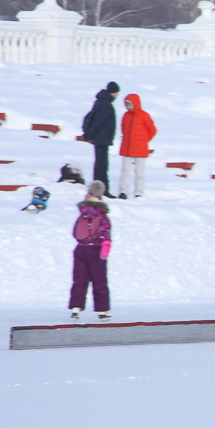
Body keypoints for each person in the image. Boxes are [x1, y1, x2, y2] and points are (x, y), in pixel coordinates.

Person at [69, 180, 113, 321]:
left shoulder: (82, 214)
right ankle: (103, 309)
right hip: (96, 250)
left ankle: (76, 307)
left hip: (80, 249)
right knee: (99, 280)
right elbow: (104, 233)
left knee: (80, 280)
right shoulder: (102, 216)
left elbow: (75, 232)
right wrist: (106, 246)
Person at [79, 82, 120, 194]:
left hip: (101, 138)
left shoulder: (101, 101)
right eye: (117, 93)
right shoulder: (106, 104)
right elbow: (98, 122)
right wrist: (90, 135)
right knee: (102, 165)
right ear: (114, 92)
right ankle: (102, 190)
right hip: (102, 139)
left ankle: (99, 188)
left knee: (100, 164)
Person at [115, 93, 156, 200]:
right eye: (126, 104)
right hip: (127, 148)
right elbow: (123, 129)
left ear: (135, 103)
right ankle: (123, 192)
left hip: (140, 148)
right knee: (125, 170)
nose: (128, 107)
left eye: (130, 104)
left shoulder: (144, 115)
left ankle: (139, 192)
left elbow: (152, 130)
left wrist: (144, 141)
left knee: (139, 171)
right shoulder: (126, 116)